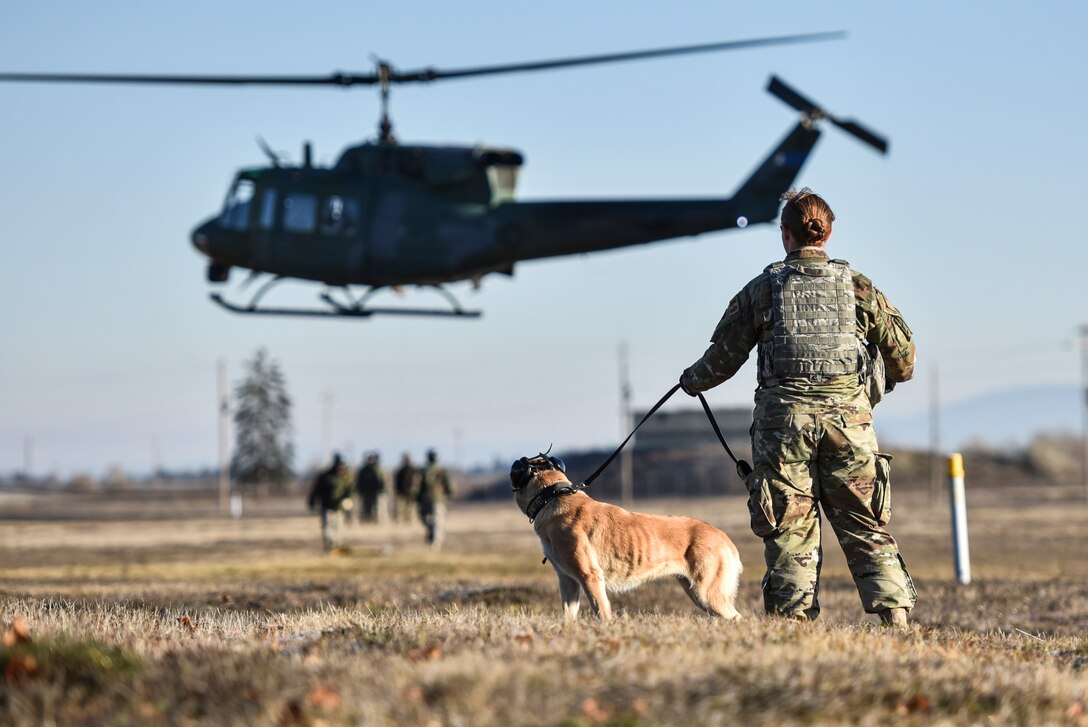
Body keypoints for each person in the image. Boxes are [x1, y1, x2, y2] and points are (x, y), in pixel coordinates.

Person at [679, 187, 917, 627]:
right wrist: (868, 386)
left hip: (783, 428)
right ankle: (896, 620)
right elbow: (903, 358)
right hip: (850, 425)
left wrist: (690, 381)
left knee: (789, 529)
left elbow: (723, 360)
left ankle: (793, 626)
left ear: (785, 235)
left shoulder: (763, 289)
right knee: (864, 523)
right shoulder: (859, 287)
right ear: (827, 234)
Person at [307, 453, 354, 552]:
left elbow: (349, 491)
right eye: (339, 467)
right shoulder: (325, 476)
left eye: (342, 468)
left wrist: (348, 501)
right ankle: (329, 548)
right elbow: (316, 490)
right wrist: (312, 502)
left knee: (338, 529)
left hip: (339, 508)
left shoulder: (345, 478)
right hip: (327, 507)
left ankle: (336, 548)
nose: (341, 469)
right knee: (327, 529)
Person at [417, 448, 455, 549]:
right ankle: (436, 541)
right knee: (437, 521)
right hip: (437, 499)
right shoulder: (440, 470)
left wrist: (416, 497)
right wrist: (449, 493)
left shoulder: (423, 471)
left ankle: (433, 539)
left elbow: (416, 486)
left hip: (426, 499)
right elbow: (449, 485)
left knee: (426, 519)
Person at [355, 452, 390, 524]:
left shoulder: (379, 469)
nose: (370, 460)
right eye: (369, 459)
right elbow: (359, 482)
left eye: (371, 459)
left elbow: (384, 481)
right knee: (366, 507)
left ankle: (378, 521)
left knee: (378, 508)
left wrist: (383, 490)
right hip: (366, 492)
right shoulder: (364, 470)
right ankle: (367, 521)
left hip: (377, 492)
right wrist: (360, 491)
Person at [393, 452, 420, 523]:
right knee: (400, 509)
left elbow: (417, 483)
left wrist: (416, 492)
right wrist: (397, 491)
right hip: (402, 493)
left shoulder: (414, 471)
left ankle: (411, 520)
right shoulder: (401, 471)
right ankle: (400, 521)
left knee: (411, 508)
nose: (407, 461)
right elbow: (397, 482)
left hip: (412, 493)